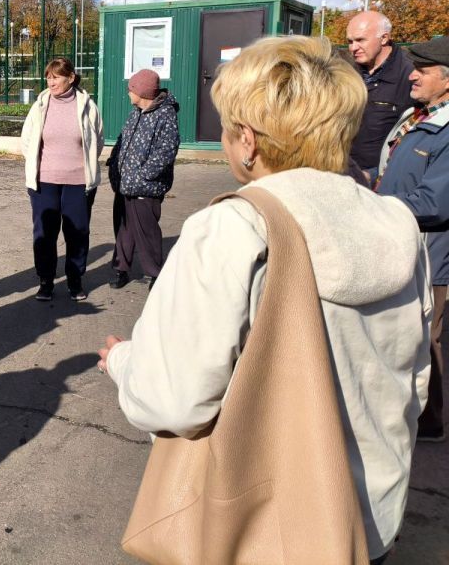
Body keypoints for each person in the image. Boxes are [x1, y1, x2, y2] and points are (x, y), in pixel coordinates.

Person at [98, 35, 431, 564]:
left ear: (248, 141)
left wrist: (121, 360)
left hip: (267, 530)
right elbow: (415, 374)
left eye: (230, 129)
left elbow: (173, 400)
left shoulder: (233, 226)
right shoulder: (396, 221)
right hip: (374, 514)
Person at [374, 36, 449, 443]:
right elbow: (391, 173)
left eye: (422, 70)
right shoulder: (415, 116)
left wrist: (373, 208)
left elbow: (435, 202)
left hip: (431, 254)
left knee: (426, 336)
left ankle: (429, 421)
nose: (412, 75)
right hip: (398, 240)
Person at [21, 57, 104, 301]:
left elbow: (97, 140)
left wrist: (81, 166)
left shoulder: (87, 105)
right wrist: (40, 166)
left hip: (79, 182)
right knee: (45, 233)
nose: (51, 81)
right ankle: (45, 280)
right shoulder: (39, 105)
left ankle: (75, 280)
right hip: (44, 181)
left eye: (56, 76)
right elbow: (27, 141)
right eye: (48, 76)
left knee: (77, 232)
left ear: (71, 77)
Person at [107, 69, 179, 289]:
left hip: (145, 188)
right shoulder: (136, 112)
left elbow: (166, 151)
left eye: (131, 89)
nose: (128, 93)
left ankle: (156, 274)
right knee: (123, 230)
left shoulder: (165, 115)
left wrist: (143, 176)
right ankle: (121, 269)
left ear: (142, 92)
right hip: (124, 184)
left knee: (147, 233)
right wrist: (113, 162)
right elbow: (122, 140)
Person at [347, 11, 415, 169]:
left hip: (381, 177)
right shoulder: (346, 70)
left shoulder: (411, 75)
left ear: (384, 38)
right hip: (343, 170)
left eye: (360, 40)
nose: (353, 48)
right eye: (349, 41)